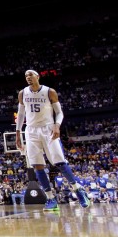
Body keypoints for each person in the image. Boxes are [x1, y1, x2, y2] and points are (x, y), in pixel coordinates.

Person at [15, 69, 90, 211]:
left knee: (60, 162)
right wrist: (18, 133)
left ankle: (78, 190)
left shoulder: (50, 91)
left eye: (30, 75)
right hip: (31, 130)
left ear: (38, 76)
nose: (28, 77)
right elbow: (20, 114)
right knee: (37, 165)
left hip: (48, 128)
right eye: (25, 76)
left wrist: (57, 125)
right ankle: (50, 199)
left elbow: (59, 112)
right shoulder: (22, 93)